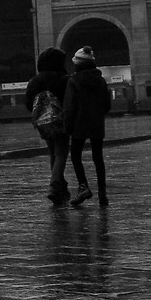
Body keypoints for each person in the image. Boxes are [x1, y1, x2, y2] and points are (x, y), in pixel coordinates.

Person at [63, 45, 112, 207]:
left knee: (76, 155)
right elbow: (107, 105)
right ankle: (102, 194)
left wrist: (67, 127)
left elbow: (70, 107)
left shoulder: (74, 81)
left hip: (79, 124)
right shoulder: (100, 80)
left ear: (78, 64)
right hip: (97, 123)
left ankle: (83, 186)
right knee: (98, 157)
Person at [26, 48, 72, 204]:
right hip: (60, 121)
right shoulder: (64, 79)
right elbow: (70, 101)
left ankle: (60, 187)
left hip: (43, 123)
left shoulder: (35, 81)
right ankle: (54, 185)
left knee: (53, 153)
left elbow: (28, 103)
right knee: (61, 153)